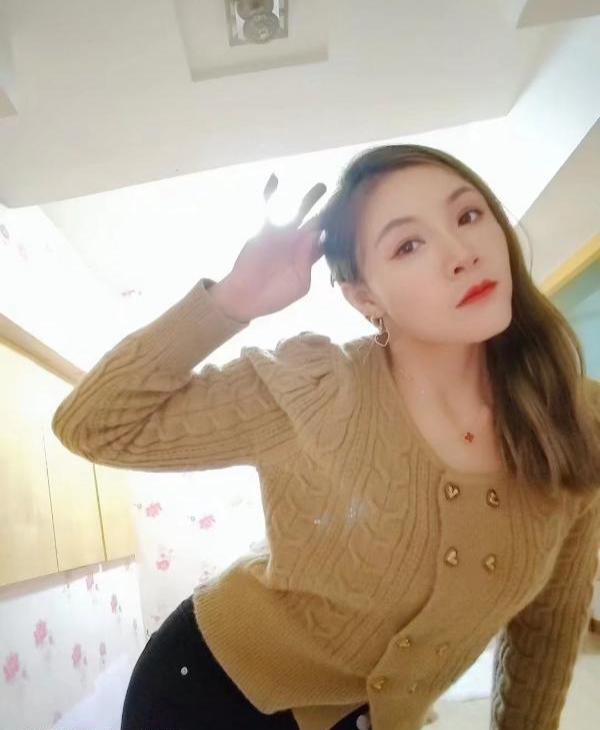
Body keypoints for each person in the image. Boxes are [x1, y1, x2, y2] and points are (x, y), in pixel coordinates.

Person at [51, 144, 600, 730]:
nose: (461, 254)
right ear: (365, 297)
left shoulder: (580, 420)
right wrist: (231, 300)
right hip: (207, 694)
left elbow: (551, 622)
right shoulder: (315, 388)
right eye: (408, 245)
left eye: (468, 216)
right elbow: (94, 425)